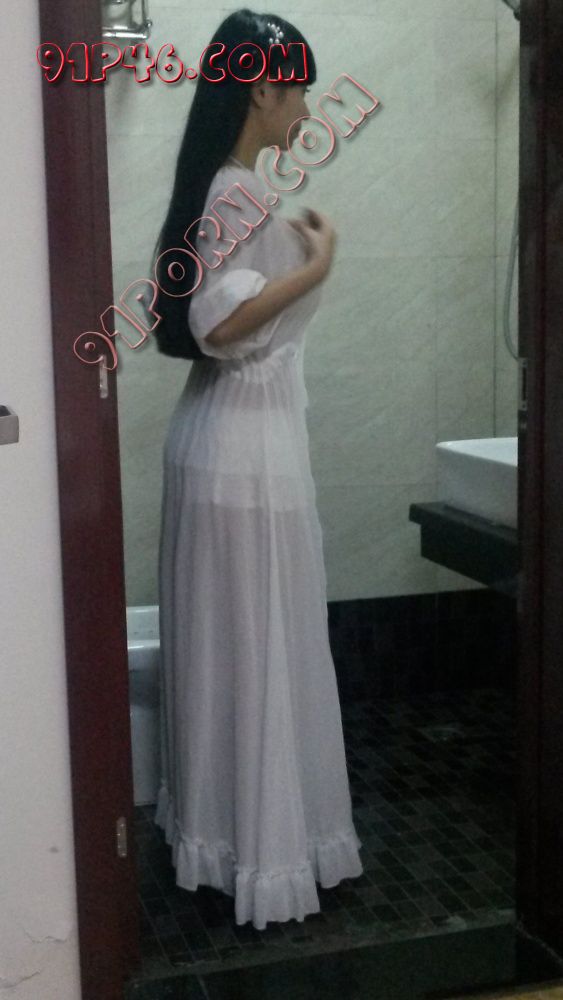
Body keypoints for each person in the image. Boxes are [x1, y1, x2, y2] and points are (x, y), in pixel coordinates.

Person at [152, 8, 364, 931]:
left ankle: (221, 838)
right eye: (299, 88)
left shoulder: (219, 185)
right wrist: (316, 265)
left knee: (231, 651)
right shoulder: (235, 191)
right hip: (243, 452)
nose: (306, 107)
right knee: (259, 647)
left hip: (223, 443)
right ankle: (264, 855)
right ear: (261, 89)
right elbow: (217, 325)